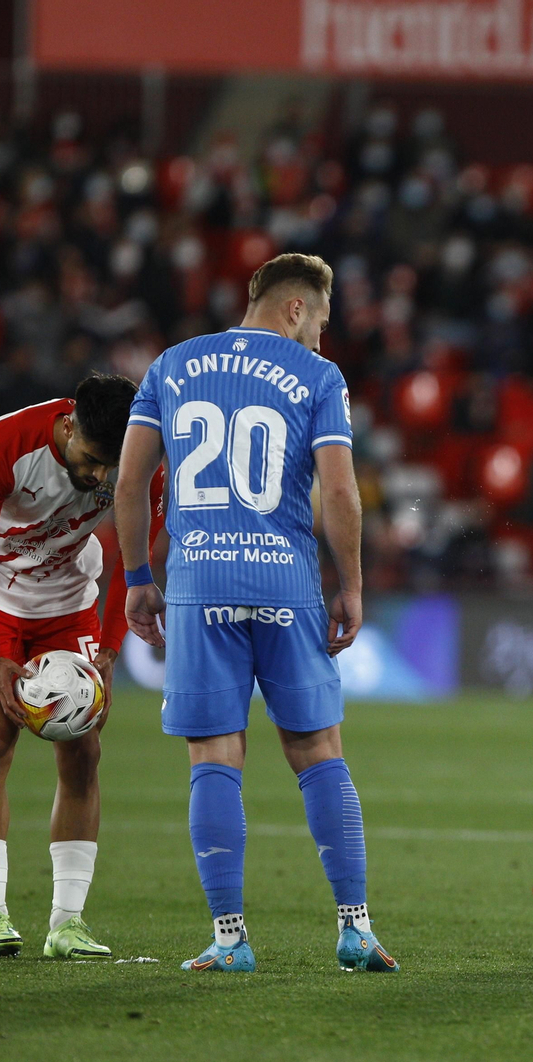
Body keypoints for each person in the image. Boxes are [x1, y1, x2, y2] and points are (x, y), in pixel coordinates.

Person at [113, 253, 396, 974]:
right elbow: (338, 494)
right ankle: (356, 929)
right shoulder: (319, 379)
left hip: (198, 582)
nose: (323, 340)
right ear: (295, 308)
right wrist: (353, 585)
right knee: (318, 751)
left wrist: (138, 576)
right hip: (287, 583)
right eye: (322, 322)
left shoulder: (171, 365)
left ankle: (231, 939)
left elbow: (128, 482)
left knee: (214, 758)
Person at [0, 373, 165, 959]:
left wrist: (112, 652)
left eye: (109, 466)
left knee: (85, 750)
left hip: (69, 602)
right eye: (92, 460)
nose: (99, 477)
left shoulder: (144, 461)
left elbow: (135, 559)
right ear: (69, 425)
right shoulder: (6, 443)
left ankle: (67, 924)